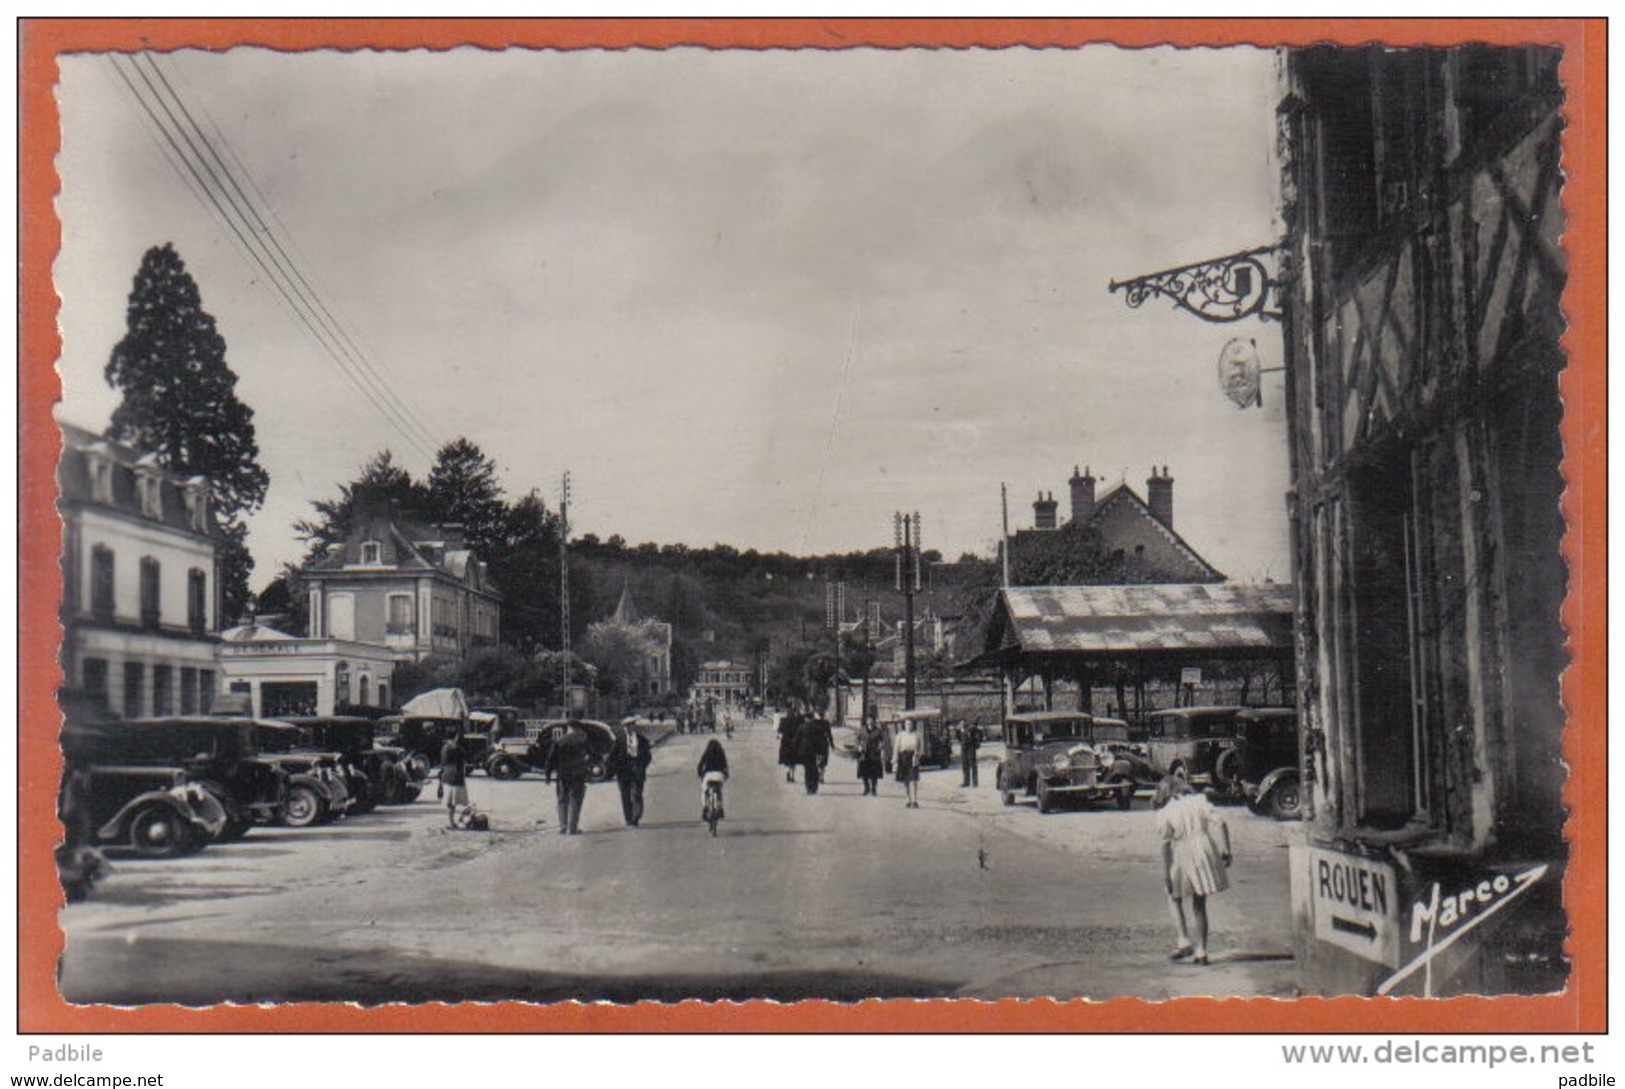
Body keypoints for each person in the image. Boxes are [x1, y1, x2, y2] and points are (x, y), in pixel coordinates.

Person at [1156, 775, 1232, 965]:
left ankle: (1183, 940)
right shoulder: (1199, 801)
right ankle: (1202, 951)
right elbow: (1221, 822)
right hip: (1205, 848)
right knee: (1199, 904)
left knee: (1174, 896)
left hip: (1183, 851)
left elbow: (1165, 845)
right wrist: (1226, 849)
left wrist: (1166, 873)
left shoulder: (1165, 811)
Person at [546, 722, 592, 835]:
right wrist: (588, 771)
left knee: (562, 799)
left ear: (568, 728)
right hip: (577, 775)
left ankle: (563, 826)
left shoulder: (559, 741)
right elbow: (589, 757)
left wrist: (548, 775)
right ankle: (573, 827)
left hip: (562, 775)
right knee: (575, 800)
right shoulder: (582, 741)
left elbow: (551, 759)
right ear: (576, 728)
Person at [611, 722, 652, 828]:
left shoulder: (642, 740)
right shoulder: (619, 740)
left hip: (637, 770)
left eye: (631, 726)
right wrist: (615, 769)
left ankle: (636, 817)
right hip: (623, 771)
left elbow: (648, 756)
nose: (628, 729)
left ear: (634, 727)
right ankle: (628, 818)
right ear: (624, 728)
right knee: (625, 795)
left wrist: (642, 765)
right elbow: (612, 757)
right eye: (626, 727)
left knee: (636, 794)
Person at [438, 732, 469, 829]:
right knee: (452, 802)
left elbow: (443, 762)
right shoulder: (459, 749)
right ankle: (452, 822)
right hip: (457, 776)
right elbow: (464, 757)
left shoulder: (445, 748)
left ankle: (451, 821)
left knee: (450, 802)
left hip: (447, 775)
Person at [798, 713, 832, 795]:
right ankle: (814, 787)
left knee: (807, 770)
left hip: (805, 752)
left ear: (806, 718)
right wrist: (822, 752)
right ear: (813, 718)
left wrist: (798, 749)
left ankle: (808, 787)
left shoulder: (802, 727)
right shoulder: (818, 728)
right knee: (814, 769)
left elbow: (797, 740)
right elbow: (822, 741)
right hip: (815, 752)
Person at [696, 737, 730, 819]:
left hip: (708, 776)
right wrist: (726, 775)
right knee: (719, 792)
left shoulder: (706, 753)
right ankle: (720, 808)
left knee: (704, 791)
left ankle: (705, 808)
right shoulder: (721, 753)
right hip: (719, 775)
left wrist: (700, 774)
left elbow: (700, 765)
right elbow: (725, 766)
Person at [893, 719, 922, 808]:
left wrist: (917, 756)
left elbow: (920, 748)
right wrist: (895, 761)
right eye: (907, 724)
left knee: (914, 780)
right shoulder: (900, 735)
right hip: (903, 757)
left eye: (910, 724)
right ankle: (908, 800)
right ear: (904, 725)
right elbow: (896, 748)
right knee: (906, 781)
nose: (909, 726)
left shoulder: (916, 735)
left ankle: (915, 801)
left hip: (913, 757)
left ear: (913, 725)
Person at [856, 717, 887, 796]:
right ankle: (866, 788)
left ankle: (873, 788)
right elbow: (857, 739)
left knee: (874, 773)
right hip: (864, 753)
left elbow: (882, 741)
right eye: (868, 720)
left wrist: (881, 748)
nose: (870, 722)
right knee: (864, 771)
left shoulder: (878, 731)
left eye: (872, 721)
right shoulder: (862, 730)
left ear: (874, 722)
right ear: (866, 721)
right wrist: (859, 745)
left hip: (874, 753)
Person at [777, 706, 803, 783]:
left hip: (785, 742)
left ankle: (788, 772)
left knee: (787, 760)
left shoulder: (783, 721)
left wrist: (779, 736)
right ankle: (792, 776)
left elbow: (780, 731)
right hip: (795, 742)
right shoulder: (797, 721)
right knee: (793, 761)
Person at [958, 719, 982, 788]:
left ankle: (975, 782)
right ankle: (966, 782)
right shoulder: (960, 730)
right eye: (961, 723)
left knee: (973, 765)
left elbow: (980, 732)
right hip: (964, 748)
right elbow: (959, 738)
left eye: (963, 723)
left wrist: (978, 742)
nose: (962, 725)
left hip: (971, 748)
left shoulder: (971, 729)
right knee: (965, 765)